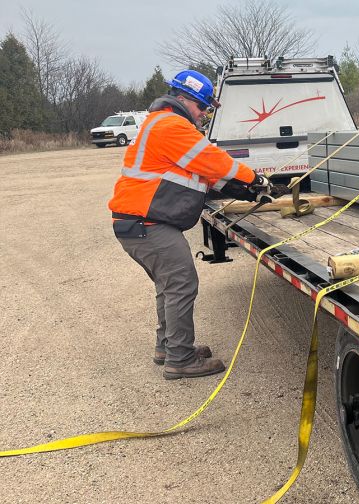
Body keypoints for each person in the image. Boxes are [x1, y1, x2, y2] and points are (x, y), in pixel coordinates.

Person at [108, 70, 270, 380]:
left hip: (139, 224)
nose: (205, 114)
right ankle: (180, 359)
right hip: (147, 225)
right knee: (182, 285)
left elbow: (198, 173)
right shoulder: (172, 125)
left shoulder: (162, 125)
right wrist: (254, 178)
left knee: (169, 287)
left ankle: (168, 348)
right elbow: (213, 160)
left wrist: (234, 188)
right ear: (184, 100)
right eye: (203, 107)